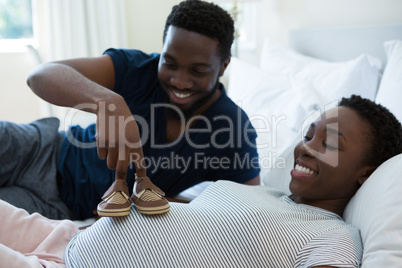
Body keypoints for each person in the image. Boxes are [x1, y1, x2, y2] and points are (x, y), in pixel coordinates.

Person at [1, 95, 401, 267]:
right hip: (65, 236)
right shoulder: (266, 194)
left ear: (366, 173)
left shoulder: (335, 238)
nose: (306, 148)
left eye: (329, 142)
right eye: (309, 134)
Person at [0, 0, 260, 220]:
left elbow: (245, 212)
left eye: (198, 70)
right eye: (169, 62)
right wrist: (107, 101)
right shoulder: (138, 69)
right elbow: (41, 75)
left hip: (58, 207)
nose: (179, 81)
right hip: (39, 147)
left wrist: (150, 205)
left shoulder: (232, 129)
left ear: (224, 66)